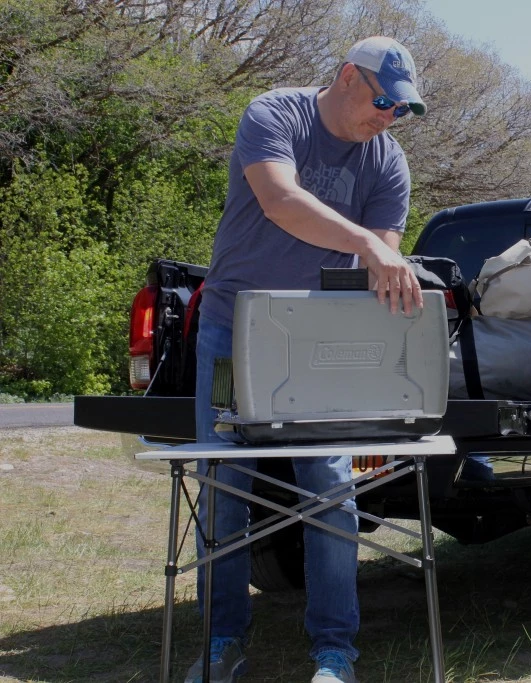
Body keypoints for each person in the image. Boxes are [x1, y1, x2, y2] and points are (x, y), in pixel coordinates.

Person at [187, 36, 426, 683]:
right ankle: (223, 641)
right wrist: (370, 248)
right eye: (383, 102)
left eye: (402, 110)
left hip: (319, 343)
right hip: (230, 332)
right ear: (349, 76)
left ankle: (334, 655)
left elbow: (384, 256)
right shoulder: (275, 115)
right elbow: (281, 201)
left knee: (329, 486)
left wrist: (393, 277)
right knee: (224, 487)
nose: (390, 117)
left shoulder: (388, 161)